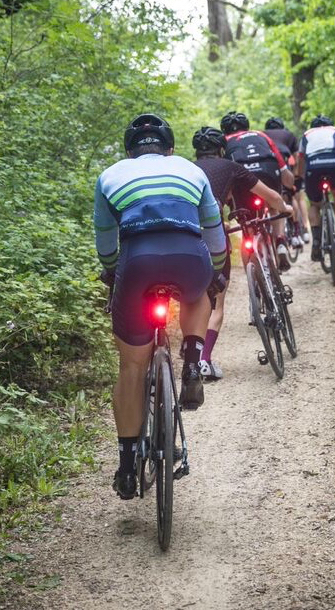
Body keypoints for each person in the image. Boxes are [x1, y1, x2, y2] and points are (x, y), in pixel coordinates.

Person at [94, 113, 229, 499]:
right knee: (198, 293)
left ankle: (126, 463)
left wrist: (111, 273)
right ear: (170, 149)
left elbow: (105, 240)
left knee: (131, 366)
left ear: (129, 152)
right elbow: (214, 232)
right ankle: (191, 358)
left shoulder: (110, 175)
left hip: (137, 262)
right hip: (189, 256)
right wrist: (216, 272)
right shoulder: (190, 170)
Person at [190, 126, 292, 380]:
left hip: (184, 236)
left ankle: (191, 355)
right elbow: (270, 196)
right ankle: (204, 361)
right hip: (213, 236)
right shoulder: (230, 166)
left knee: (193, 299)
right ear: (222, 150)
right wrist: (285, 207)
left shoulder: (186, 169)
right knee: (216, 303)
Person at [220, 112, 295, 270]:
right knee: (274, 204)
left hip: (242, 178)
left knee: (248, 227)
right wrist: (291, 186)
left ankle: (253, 278)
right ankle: (280, 240)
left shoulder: (224, 142)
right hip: (269, 172)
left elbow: (224, 172)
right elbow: (282, 167)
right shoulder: (262, 136)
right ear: (247, 126)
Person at [295, 115, 335, 261]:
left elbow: (300, 159)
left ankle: (316, 240)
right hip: (334, 164)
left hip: (313, 167)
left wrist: (300, 176)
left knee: (314, 204)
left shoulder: (306, 134)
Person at [263, 117, 308, 245]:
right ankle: (296, 231)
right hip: (282, 159)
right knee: (290, 194)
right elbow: (297, 158)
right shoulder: (289, 135)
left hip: (266, 164)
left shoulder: (262, 134)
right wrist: (296, 175)